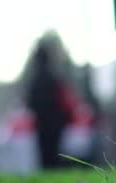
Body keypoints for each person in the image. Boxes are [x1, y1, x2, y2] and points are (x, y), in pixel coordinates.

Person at [24, 37, 75, 170]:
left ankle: (47, 170)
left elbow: (29, 102)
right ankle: (55, 170)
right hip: (56, 122)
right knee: (55, 150)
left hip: (41, 122)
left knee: (44, 151)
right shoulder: (54, 76)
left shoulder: (34, 80)